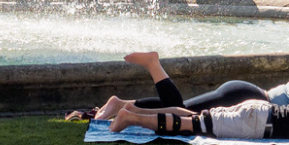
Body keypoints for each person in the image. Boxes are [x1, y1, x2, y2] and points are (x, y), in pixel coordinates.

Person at [106, 58, 289, 144]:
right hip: (258, 119)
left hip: (258, 112)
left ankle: (131, 110)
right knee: (189, 124)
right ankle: (130, 117)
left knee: (192, 116)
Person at [94, 50, 270, 118]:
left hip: (245, 93)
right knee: (182, 114)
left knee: (180, 110)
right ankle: (153, 64)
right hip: (250, 97)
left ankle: (120, 105)